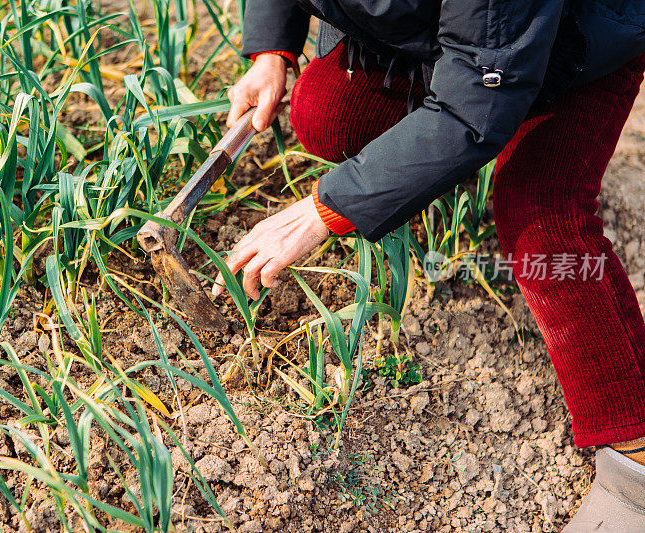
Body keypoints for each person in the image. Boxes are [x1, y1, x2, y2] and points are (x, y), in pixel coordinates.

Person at [210, 1, 645, 530]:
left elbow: (474, 108)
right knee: (328, 113)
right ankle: (445, 148)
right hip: (473, 40)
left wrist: (328, 208)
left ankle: (635, 450)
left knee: (539, 216)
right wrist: (270, 48)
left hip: (583, 32)